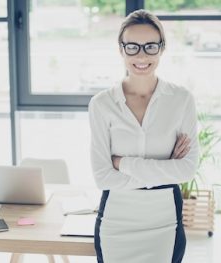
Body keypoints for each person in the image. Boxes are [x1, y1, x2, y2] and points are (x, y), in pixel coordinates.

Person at [88, 9, 199, 263]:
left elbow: (187, 170)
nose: (141, 55)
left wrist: (122, 163)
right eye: (132, 47)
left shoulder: (181, 100)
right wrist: (163, 170)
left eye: (150, 46)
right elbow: (102, 177)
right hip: (116, 222)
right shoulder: (101, 104)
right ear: (121, 49)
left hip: (164, 223)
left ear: (162, 48)